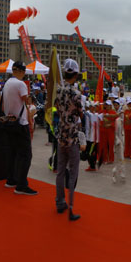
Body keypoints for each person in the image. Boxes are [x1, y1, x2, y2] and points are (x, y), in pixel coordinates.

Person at [53, 58, 85, 220]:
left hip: (61, 135)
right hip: (72, 137)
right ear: (76, 74)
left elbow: (57, 108)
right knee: (73, 173)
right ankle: (71, 207)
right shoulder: (77, 94)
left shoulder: (58, 91)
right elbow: (81, 114)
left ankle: (60, 202)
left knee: (60, 171)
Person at [0, 61, 38, 195]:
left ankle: (11, 179)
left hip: (9, 122)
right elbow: (26, 101)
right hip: (20, 123)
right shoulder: (21, 84)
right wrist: (29, 98)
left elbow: (3, 104)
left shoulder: (7, 83)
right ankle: (21, 185)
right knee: (26, 155)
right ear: (21, 71)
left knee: (13, 152)